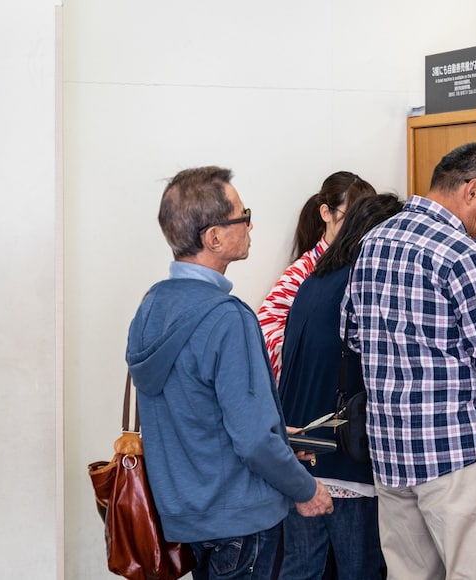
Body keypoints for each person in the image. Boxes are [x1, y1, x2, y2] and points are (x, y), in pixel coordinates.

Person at [341, 142, 476, 580]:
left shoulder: (375, 240)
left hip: (392, 456)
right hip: (458, 459)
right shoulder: (460, 254)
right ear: (472, 190)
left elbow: (352, 334)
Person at [125, 166, 334, 579]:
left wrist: (281, 436)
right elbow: (253, 442)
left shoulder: (151, 306)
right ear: (213, 237)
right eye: (242, 216)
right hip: (242, 521)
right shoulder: (227, 318)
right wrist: (306, 489)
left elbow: (195, 415)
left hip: (186, 518)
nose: (250, 224)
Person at [278, 193, 404, 580]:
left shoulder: (313, 278)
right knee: (360, 570)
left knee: (301, 570)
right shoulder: (361, 284)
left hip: (299, 455)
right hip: (343, 459)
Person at [257, 171, 376, 384]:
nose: (359, 229)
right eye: (351, 218)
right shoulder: (300, 274)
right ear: (325, 213)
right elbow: (262, 340)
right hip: (309, 386)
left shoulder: (367, 266)